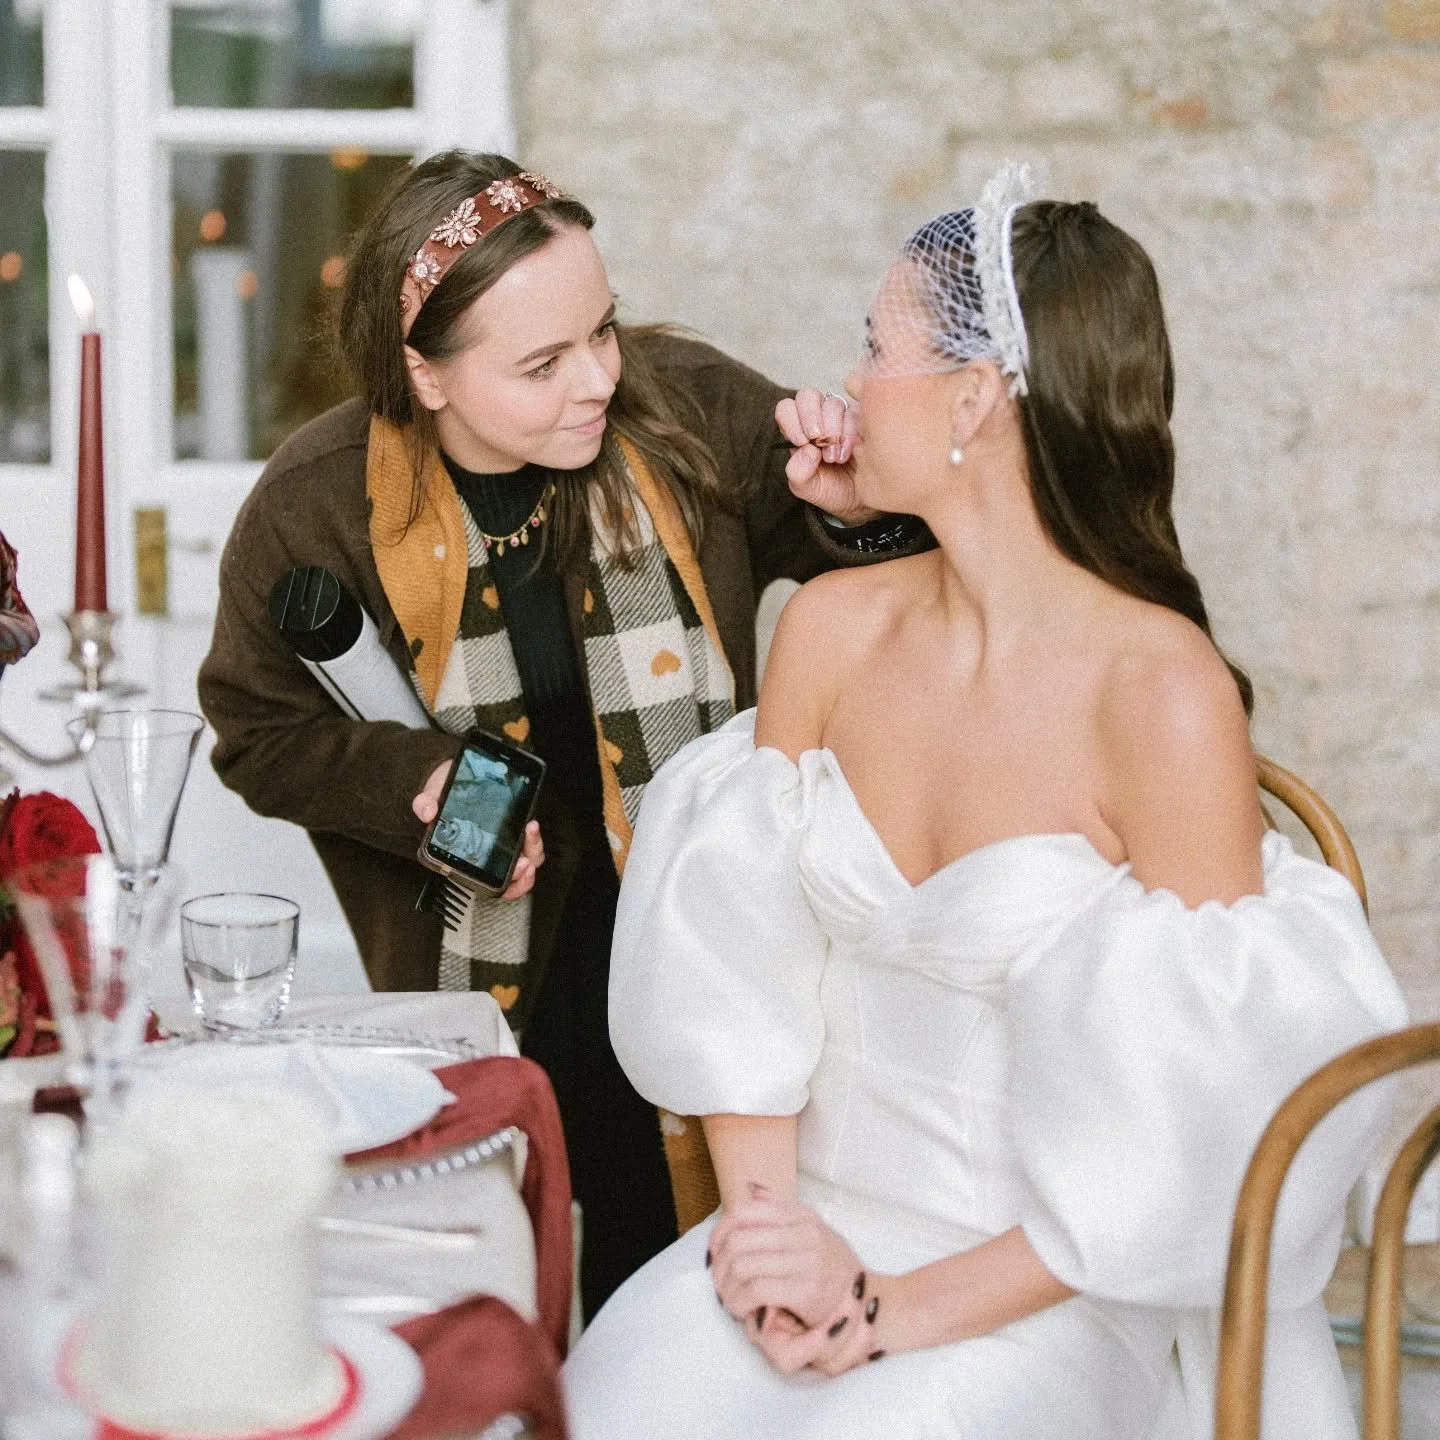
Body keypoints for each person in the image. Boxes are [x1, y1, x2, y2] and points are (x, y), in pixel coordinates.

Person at [562, 166, 1407, 1437]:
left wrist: (889, 1311)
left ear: (973, 394)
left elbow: (1198, 1132)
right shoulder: (833, 631)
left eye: (873, 344)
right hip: (807, 1220)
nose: (847, 383)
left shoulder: (1160, 696)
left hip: (1053, 1276)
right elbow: (739, 974)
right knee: (616, 1405)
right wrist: (766, 1236)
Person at [197, 150, 930, 1317]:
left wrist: (860, 496)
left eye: (604, 330)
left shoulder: (689, 408)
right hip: (482, 971)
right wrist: (413, 781)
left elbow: (904, 574)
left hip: (696, 941)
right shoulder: (317, 502)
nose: (596, 379)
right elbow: (255, 728)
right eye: (542, 364)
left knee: (671, 1278)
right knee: (490, 1270)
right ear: (424, 377)